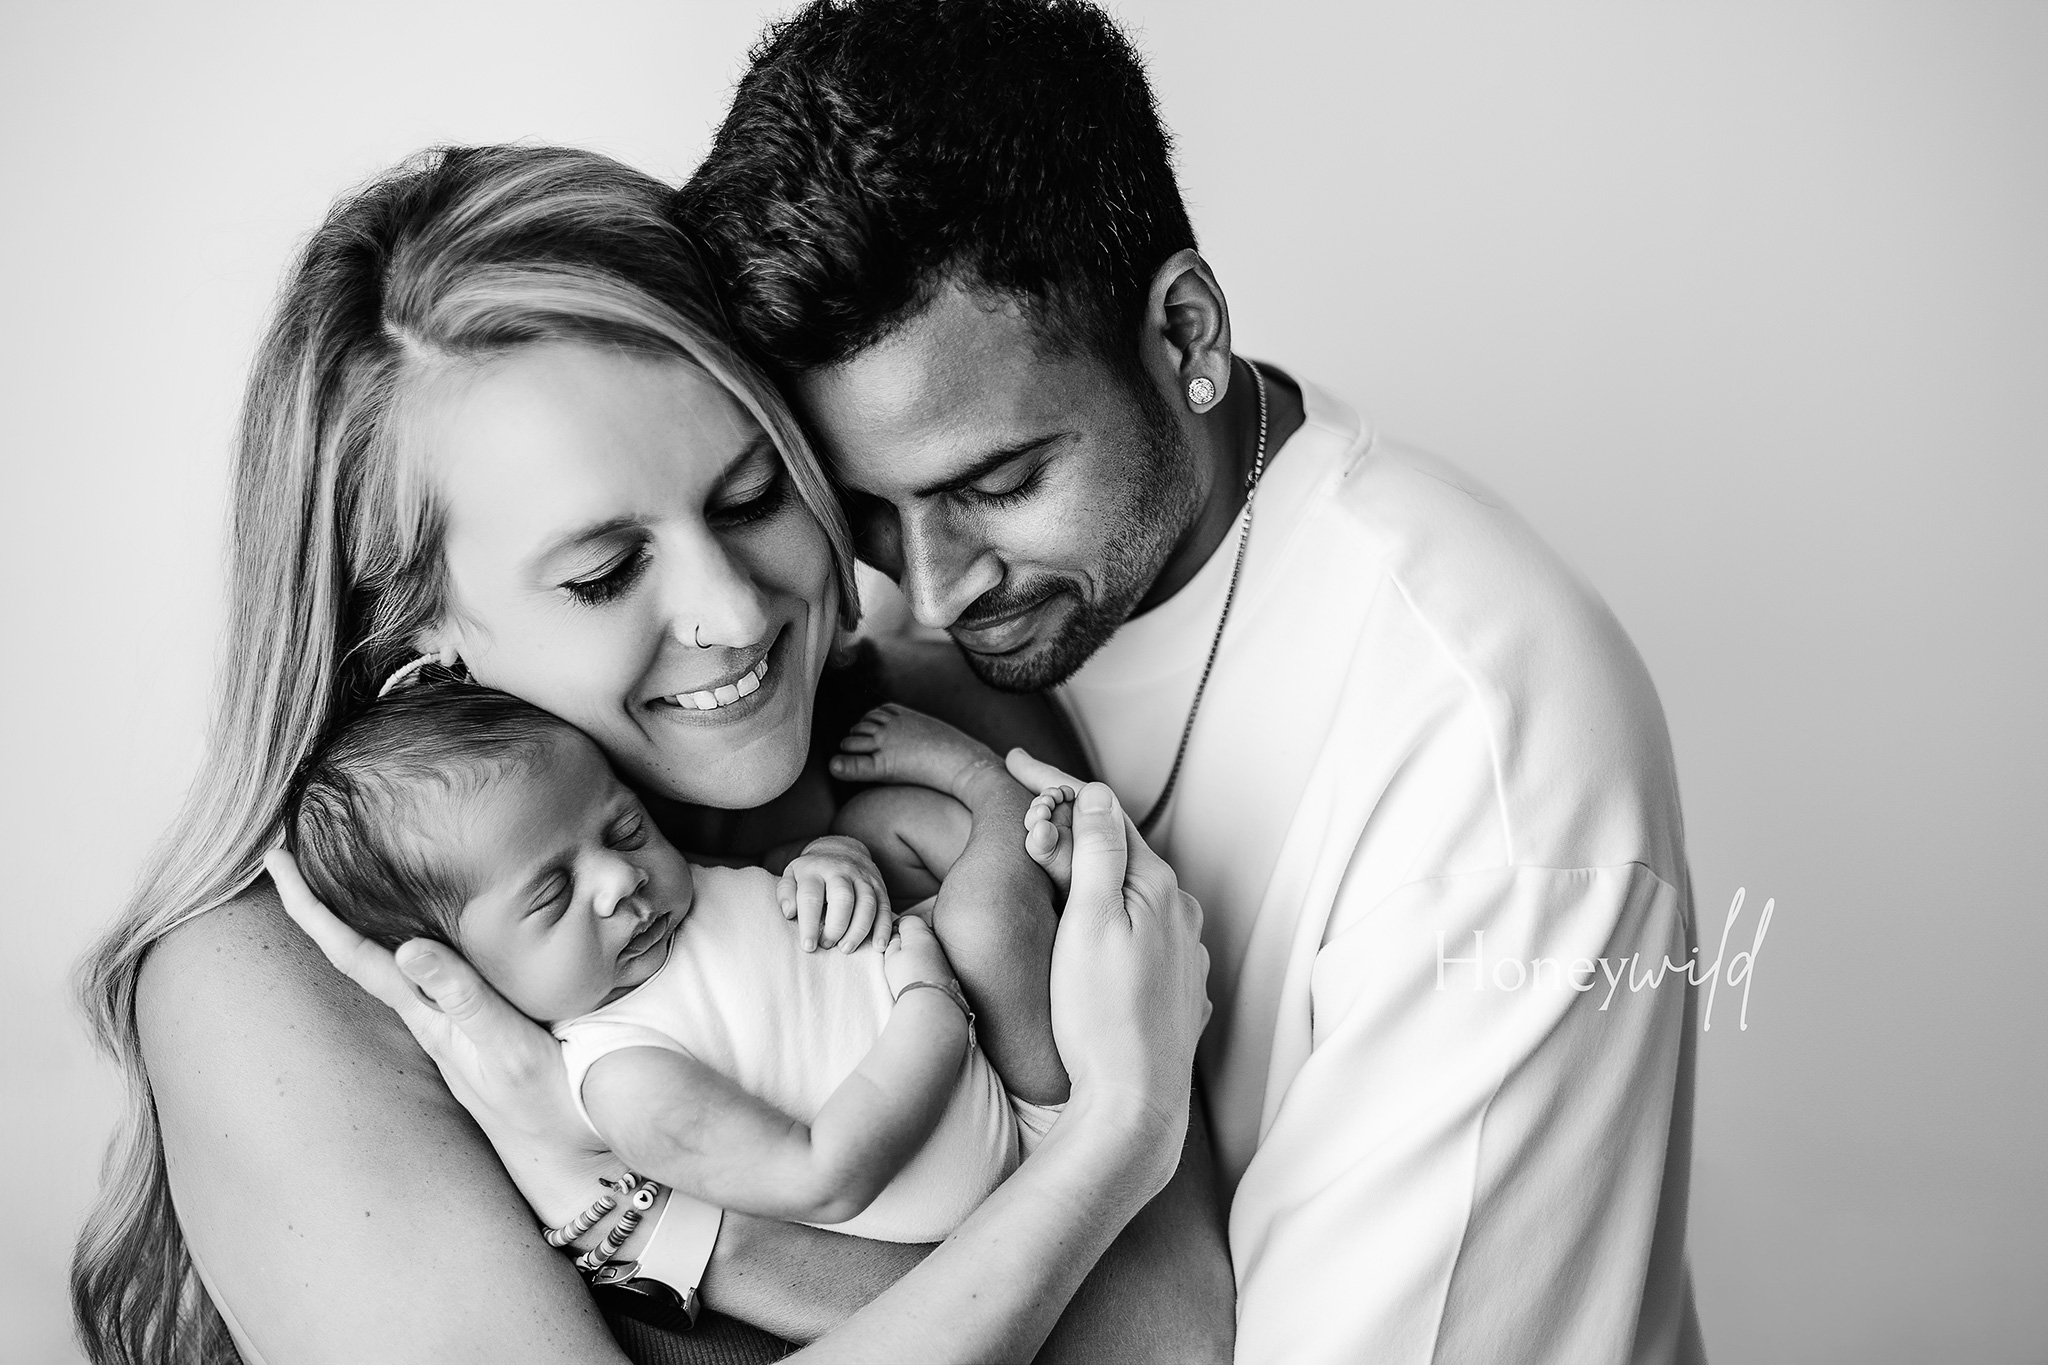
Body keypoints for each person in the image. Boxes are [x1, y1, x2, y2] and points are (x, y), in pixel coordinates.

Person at [70, 144, 1230, 1365]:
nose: (732, 614)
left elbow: (1162, 1339)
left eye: (749, 499)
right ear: (416, 630)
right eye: (602, 574)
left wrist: (642, 1225)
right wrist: (1115, 1137)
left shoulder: (946, 727)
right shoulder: (266, 988)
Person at [677, 2, 1709, 1361]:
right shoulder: (854, 661)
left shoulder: (1484, 761)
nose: (925, 589)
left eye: (996, 484)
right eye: (863, 512)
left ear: (1188, 334)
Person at [284, 678, 1075, 1242]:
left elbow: (765, 889)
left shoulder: (669, 898)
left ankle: (1050, 877)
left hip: (979, 1029)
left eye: (625, 829)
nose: (620, 876)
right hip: (1010, 1156)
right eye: (553, 893)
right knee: (983, 922)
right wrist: (931, 1007)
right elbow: (822, 1176)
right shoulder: (626, 1075)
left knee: (878, 822)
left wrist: (827, 861)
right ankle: (1000, 800)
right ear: (459, 971)